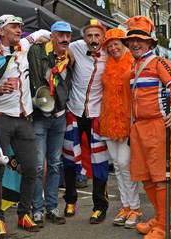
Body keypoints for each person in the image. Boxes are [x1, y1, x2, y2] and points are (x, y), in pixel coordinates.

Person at [121, 15, 171, 239]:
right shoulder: (132, 66)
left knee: (160, 178)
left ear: (149, 43)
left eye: (140, 40)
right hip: (138, 128)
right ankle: (158, 218)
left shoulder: (159, 62)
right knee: (145, 176)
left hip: (159, 126)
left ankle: (164, 225)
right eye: (132, 40)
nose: (135, 44)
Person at [0, 14, 51, 239]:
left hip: (24, 118)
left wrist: (55, 42)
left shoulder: (23, 45)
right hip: (1, 119)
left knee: (32, 169)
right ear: (1, 31)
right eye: (13, 26)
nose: (18, 30)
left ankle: (24, 214)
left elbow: (42, 34)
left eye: (20, 26)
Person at [62, 19, 109, 224]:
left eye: (97, 35)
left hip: (97, 115)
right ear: (83, 38)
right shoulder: (75, 47)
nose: (93, 40)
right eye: (89, 36)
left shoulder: (112, 53)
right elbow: (47, 37)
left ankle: (100, 206)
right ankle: (70, 200)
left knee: (100, 161)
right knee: (69, 157)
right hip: (74, 111)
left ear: (103, 37)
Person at [27, 21, 73, 227]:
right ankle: (37, 209)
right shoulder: (37, 51)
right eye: (60, 35)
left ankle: (51, 207)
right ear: (52, 36)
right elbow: (17, 45)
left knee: (54, 164)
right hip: (40, 116)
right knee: (38, 166)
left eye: (68, 36)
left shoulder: (70, 58)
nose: (65, 39)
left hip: (60, 116)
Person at [100, 28, 141, 228]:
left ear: (123, 44)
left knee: (125, 164)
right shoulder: (105, 65)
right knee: (116, 165)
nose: (114, 47)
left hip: (127, 121)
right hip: (108, 121)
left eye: (117, 43)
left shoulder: (133, 63)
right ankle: (125, 206)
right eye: (110, 45)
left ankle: (135, 208)